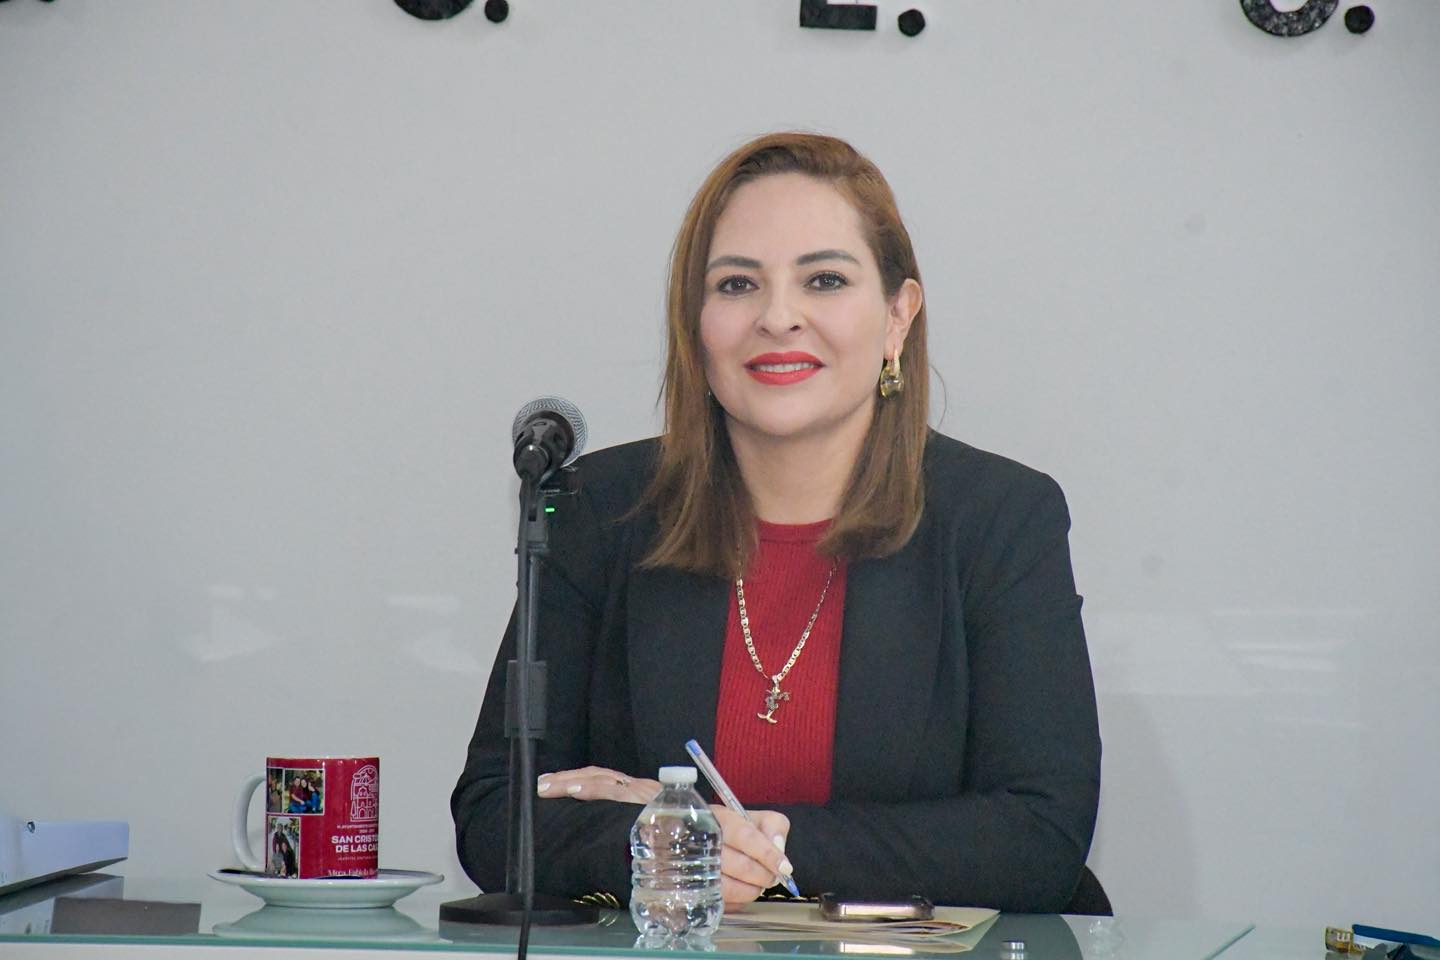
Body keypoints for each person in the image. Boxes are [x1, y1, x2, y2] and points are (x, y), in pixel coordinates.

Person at [452, 132, 1102, 914]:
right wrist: (639, 843)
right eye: (737, 285)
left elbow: (1039, 835)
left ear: (897, 316)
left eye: (825, 280)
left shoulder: (999, 517)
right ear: (695, 322)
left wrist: (717, 835)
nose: (778, 318)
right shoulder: (601, 508)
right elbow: (495, 813)